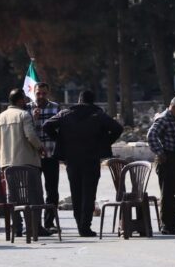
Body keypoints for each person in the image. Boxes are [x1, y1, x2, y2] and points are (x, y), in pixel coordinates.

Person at [43, 91, 123, 237]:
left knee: (76, 192)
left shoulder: (65, 113)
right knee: (89, 193)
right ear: (93, 101)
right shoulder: (98, 115)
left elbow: (47, 126)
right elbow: (118, 128)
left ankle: (80, 223)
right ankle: (85, 226)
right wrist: (104, 143)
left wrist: (61, 141)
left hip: (72, 159)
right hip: (91, 158)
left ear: (79, 100)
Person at [0, 89, 45, 237]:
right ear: (21, 100)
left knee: (13, 196)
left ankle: (16, 227)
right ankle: (35, 227)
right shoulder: (24, 115)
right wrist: (40, 147)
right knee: (35, 195)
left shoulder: (0, 118)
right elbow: (30, 135)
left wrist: (0, 161)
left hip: (7, 163)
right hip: (27, 162)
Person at [147, 96, 175, 235]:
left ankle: (172, 222)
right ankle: (166, 225)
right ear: (172, 107)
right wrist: (160, 152)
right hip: (167, 158)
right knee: (167, 193)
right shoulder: (163, 119)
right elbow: (151, 135)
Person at [29, 82, 60, 232]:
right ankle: (36, 223)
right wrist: (33, 119)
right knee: (34, 191)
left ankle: (49, 222)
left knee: (52, 190)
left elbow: (61, 130)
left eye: (43, 93)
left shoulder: (55, 108)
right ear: (33, 93)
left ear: (48, 93)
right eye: (38, 93)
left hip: (51, 154)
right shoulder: (27, 108)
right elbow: (26, 132)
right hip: (33, 157)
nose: (40, 96)